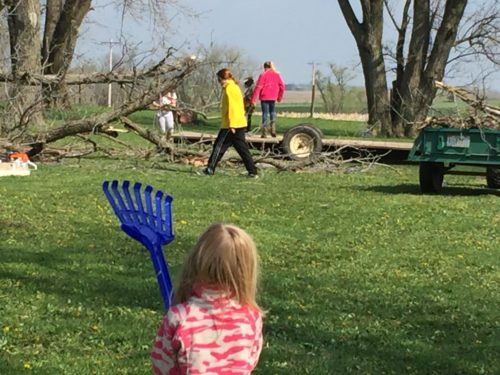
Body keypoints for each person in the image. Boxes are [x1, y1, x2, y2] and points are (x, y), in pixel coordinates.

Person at [151, 223, 263, 375]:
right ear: (245, 271)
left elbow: (161, 365)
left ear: (195, 262)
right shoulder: (251, 317)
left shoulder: (179, 317)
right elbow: (251, 361)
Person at [203, 68, 258, 177]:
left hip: (230, 124)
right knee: (242, 149)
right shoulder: (235, 87)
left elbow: (233, 107)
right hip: (239, 123)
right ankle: (252, 171)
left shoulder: (230, 89)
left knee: (219, 147)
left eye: (219, 80)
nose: (219, 83)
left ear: (222, 79)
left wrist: (232, 124)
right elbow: (240, 107)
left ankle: (210, 169)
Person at [251, 61, 285, 138]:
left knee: (265, 114)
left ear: (264, 67)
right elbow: (282, 86)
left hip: (264, 97)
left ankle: (264, 132)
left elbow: (258, 87)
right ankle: (273, 130)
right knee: (272, 113)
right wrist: (279, 97)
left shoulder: (263, 75)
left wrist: (253, 100)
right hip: (273, 97)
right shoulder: (277, 75)